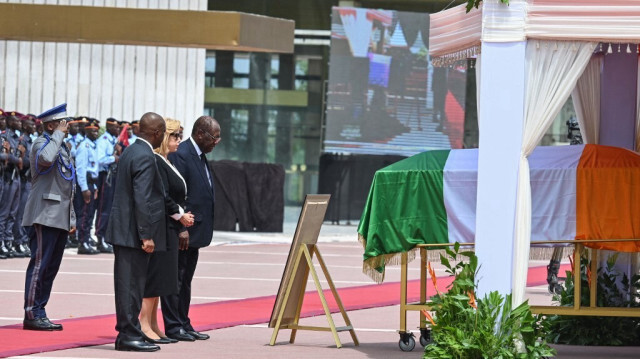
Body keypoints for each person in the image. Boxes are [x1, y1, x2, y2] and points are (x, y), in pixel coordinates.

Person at [105, 112, 166, 352]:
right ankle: (128, 334)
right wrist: (146, 235)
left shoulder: (131, 150)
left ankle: (129, 332)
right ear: (157, 133)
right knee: (131, 287)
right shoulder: (144, 155)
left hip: (125, 231)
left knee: (128, 285)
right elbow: (143, 198)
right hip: (132, 233)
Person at [163, 116, 219, 342]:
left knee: (185, 279)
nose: (217, 141)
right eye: (214, 137)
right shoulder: (182, 154)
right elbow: (177, 194)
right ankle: (173, 325)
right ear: (200, 135)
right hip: (183, 229)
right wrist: (181, 227)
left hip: (195, 229)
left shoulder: (199, 155)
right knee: (176, 279)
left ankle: (184, 322)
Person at [139, 118, 194, 344]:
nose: (179, 140)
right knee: (155, 278)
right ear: (163, 137)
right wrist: (180, 215)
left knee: (162, 279)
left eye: (180, 136)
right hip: (161, 225)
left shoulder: (165, 161)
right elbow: (162, 196)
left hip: (170, 226)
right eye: (174, 136)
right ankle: (144, 323)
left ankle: (153, 323)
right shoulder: (155, 160)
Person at [22, 103, 76, 330]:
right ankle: (31, 313)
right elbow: (45, 160)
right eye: (63, 123)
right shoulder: (41, 144)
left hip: (59, 216)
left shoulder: (62, 146)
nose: (67, 127)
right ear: (52, 125)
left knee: (51, 267)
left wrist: (71, 218)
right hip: (43, 214)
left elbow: (67, 185)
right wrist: (56, 136)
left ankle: (41, 310)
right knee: (39, 266)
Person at [0, 111, 27, 258]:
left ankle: (7, 242)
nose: (18, 123)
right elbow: (9, 156)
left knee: (13, 213)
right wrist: (13, 158)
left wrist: (17, 157)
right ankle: (2, 242)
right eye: (2, 119)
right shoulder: (6, 136)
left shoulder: (16, 138)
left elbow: (19, 156)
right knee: (4, 213)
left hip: (14, 176)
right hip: (7, 176)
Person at [74, 119, 103, 254]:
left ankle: (86, 240)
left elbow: (94, 169)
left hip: (92, 183)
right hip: (85, 184)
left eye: (97, 130)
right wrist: (84, 188)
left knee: (90, 214)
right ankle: (82, 243)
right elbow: (81, 169)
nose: (96, 133)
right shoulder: (84, 147)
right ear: (86, 131)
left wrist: (95, 186)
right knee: (84, 215)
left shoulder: (93, 146)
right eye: (93, 130)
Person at [94, 117, 119, 249]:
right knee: (104, 208)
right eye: (115, 128)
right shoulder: (103, 141)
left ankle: (104, 236)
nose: (118, 130)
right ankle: (99, 236)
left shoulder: (113, 141)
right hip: (104, 176)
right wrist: (113, 158)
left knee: (109, 208)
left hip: (112, 176)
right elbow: (100, 159)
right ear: (109, 127)